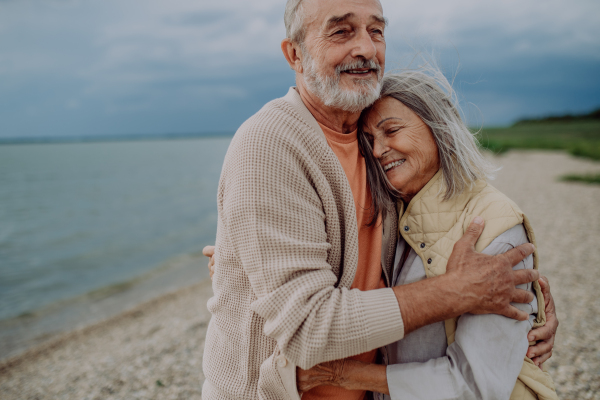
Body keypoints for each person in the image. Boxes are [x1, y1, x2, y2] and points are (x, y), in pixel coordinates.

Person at [201, 0, 557, 399]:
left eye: (376, 31)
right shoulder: (270, 143)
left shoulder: (367, 141)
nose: (367, 49)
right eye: (341, 31)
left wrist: (529, 306)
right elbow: (306, 326)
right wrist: (457, 291)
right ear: (295, 54)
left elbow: (404, 241)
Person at [295, 70, 559, 399]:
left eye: (391, 130)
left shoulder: (495, 228)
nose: (377, 150)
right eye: (369, 141)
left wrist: (347, 375)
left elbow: (475, 386)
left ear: (439, 127)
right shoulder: (388, 217)